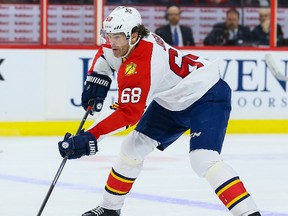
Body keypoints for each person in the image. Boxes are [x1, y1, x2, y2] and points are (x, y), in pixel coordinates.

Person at [58, 6, 261, 216]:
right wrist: (98, 76)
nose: (111, 41)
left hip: (206, 94)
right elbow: (104, 54)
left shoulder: (142, 63)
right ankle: (110, 208)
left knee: (203, 159)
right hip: (171, 101)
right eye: (108, 35)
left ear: (134, 35)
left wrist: (90, 137)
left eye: (117, 36)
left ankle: (249, 213)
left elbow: (128, 113)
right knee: (132, 147)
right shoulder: (125, 41)